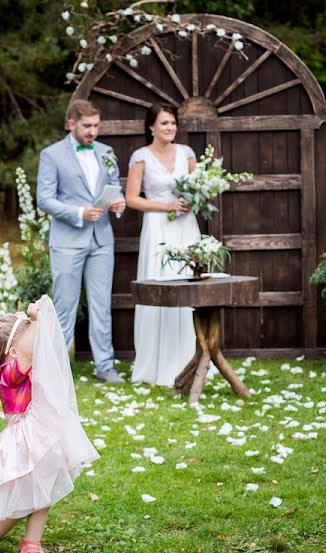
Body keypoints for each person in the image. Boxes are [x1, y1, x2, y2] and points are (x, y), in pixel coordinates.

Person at [0, 295, 100, 553]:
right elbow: (31, 346)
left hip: (40, 434)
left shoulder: (27, 363)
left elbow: (43, 349)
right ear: (14, 352)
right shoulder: (7, 373)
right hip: (23, 441)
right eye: (27, 338)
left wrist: (34, 324)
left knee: (44, 490)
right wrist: (35, 320)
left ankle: (30, 546)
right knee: (25, 496)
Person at [37, 100, 127, 383]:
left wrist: (118, 203)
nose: (93, 132)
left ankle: (105, 365)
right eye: (87, 126)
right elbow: (44, 199)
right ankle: (55, 370)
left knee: (101, 304)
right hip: (67, 240)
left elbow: (115, 187)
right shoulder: (51, 155)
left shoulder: (106, 152)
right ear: (70, 123)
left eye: (96, 126)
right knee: (64, 306)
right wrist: (79, 213)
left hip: (101, 239)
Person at [125, 103, 200, 386]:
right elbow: (132, 198)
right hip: (157, 228)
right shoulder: (141, 157)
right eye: (164, 123)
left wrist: (193, 201)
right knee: (159, 287)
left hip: (185, 227)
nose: (170, 128)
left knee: (186, 286)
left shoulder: (187, 154)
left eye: (173, 123)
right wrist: (164, 205)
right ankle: (153, 366)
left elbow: (198, 187)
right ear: (151, 127)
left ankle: (188, 360)